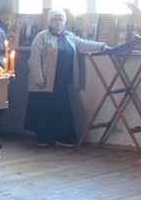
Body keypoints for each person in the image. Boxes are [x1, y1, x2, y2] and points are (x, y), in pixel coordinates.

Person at [24, 8, 106, 147]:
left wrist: (102, 46)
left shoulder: (69, 36)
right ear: (50, 21)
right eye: (55, 19)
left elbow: (83, 44)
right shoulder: (42, 37)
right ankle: (43, 137)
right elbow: (34, 59)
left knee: (61, 110)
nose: (58, 22)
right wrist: (39, 78)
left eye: (61, 19)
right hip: (44, 82)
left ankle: (62, 137)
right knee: (43, 110)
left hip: (61, 81)